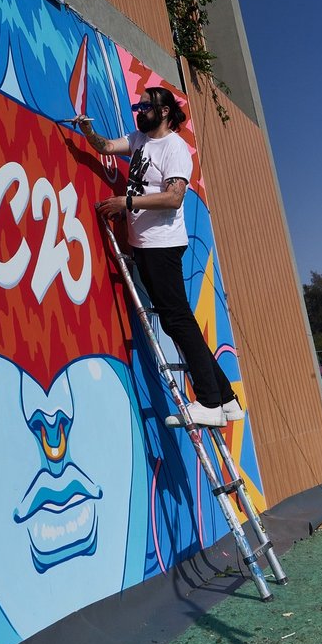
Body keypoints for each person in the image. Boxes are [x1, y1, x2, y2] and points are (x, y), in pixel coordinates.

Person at [75, 86, 243, 428]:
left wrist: (126, 203)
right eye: (138, 107)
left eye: (146, 107)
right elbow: (106, 147)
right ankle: (227, 401)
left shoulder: (175, 148)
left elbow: (173, 198)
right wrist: (88, 130)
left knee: (178, 321)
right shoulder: (139, 139)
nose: (140, 112)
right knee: (177, 319)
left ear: (165, 111)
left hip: (161, 245)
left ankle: (209, 403)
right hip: (145, 244)